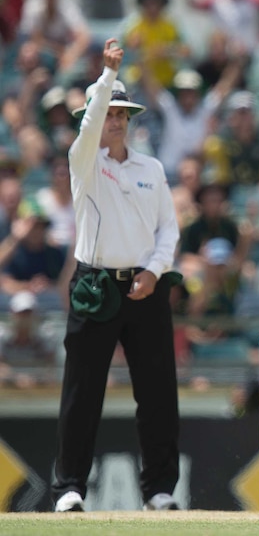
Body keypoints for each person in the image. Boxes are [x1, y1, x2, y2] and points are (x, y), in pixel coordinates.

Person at [52, 39, 182, 513]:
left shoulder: (151, 168)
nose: (117, 120)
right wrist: (106, 78)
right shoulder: (83, 162)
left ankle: (160, 490)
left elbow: (169, 227)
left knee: (158, 392)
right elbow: (88, 131)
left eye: (123, 113)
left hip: (145, 288)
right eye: (110, 112)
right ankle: (69, 487)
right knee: (82, 392)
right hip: (96, 286)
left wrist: (153, 271)